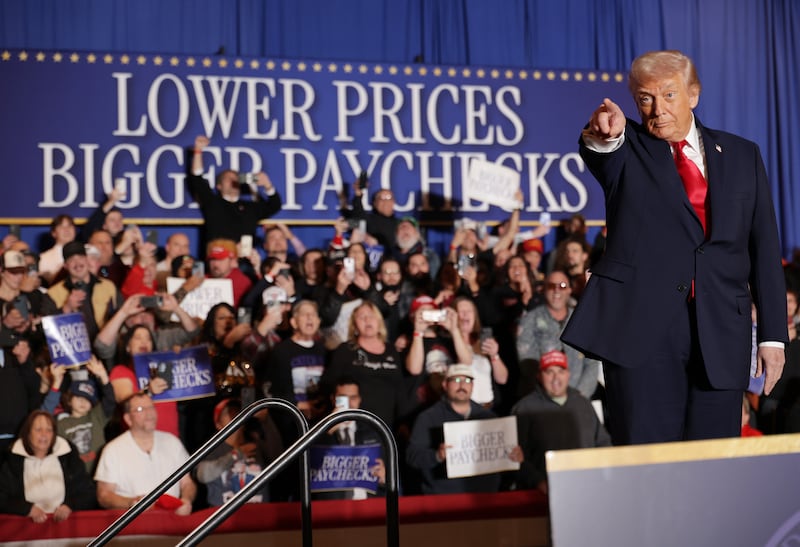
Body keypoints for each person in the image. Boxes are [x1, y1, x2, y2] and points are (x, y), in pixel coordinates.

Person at [561, 50, 787, 445]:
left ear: (693, 95)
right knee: (648, 464)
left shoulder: (742, 154)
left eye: (668, 95)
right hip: (642, 335)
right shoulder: (628, 147)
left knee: (713, 466)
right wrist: (605, 135)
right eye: (645, 98)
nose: (657, 109)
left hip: (720, 333)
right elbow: (602, 149)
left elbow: (764, 250)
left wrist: (772, 336)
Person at [405, 364, 523, 495]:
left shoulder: (489, 418)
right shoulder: (427, 418)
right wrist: (437, 456)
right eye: (456, 380)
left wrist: (514, 457)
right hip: (444, 498)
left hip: (485, 497)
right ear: (445, 384)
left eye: (467, 381)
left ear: (473, 386)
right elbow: (412, 457)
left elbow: (505, 463)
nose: (462, 386)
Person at [511, 350, 611, 493]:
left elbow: (603, 443)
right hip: (544, 493)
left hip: (588, 487)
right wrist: (538, 482)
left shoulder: (583, 404)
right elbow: (515, 455)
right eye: (549, 372)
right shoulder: (524, 409)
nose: (556, 378)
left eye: (561, 371)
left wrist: (602, 476)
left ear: (568, 374)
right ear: (539, 376)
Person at [95, 392, 195, 514]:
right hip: (133, 525)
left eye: (151, 407)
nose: (149, 414)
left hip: (172, 521)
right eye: (140, 409)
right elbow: (104, 495)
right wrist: (132, 503)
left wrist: (186, 499)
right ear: (128, 418)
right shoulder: (113, 450)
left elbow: (187, 483)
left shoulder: (172, 442)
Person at [517, 270, 600, 400]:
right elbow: (528, 362)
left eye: (562, 286)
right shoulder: (530, 320)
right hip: (542, 398)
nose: (556, 291)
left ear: (569, 290)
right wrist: (550, 393)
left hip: (579, 397)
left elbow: (592, 362)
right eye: (551, 286)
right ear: (544, 290)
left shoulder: (582, 318)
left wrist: (579, 396)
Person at [0, 410, 96, 522]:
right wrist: (26, 509)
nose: (44, 435)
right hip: (26, 531)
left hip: (64, 528)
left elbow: (88, 493)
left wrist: (70, 506)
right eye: (38, 429)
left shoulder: (68, 457)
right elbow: (2, 498)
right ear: (28, 433)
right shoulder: (13, 460)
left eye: (49, 430)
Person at [188, 135, 282, 244]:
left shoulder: (250, 208)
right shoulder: (213, 203)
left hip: (246, 259)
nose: (233, 180)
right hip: (220, 257)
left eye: (236, 178)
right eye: (228, 178)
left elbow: (275, 206)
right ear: (219, 186)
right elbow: (197, 178)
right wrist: (198, 151)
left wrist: (267, 185)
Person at [41, 240, 123, 342]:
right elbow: (45, 329)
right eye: (71, 260)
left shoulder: (108, 287)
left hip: (105, 348)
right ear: (65, 266)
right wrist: (66, 308)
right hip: (72, 351)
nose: (77, 263)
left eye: (81, 258)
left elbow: (120, 317)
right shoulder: (53, 293)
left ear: (87, 260)